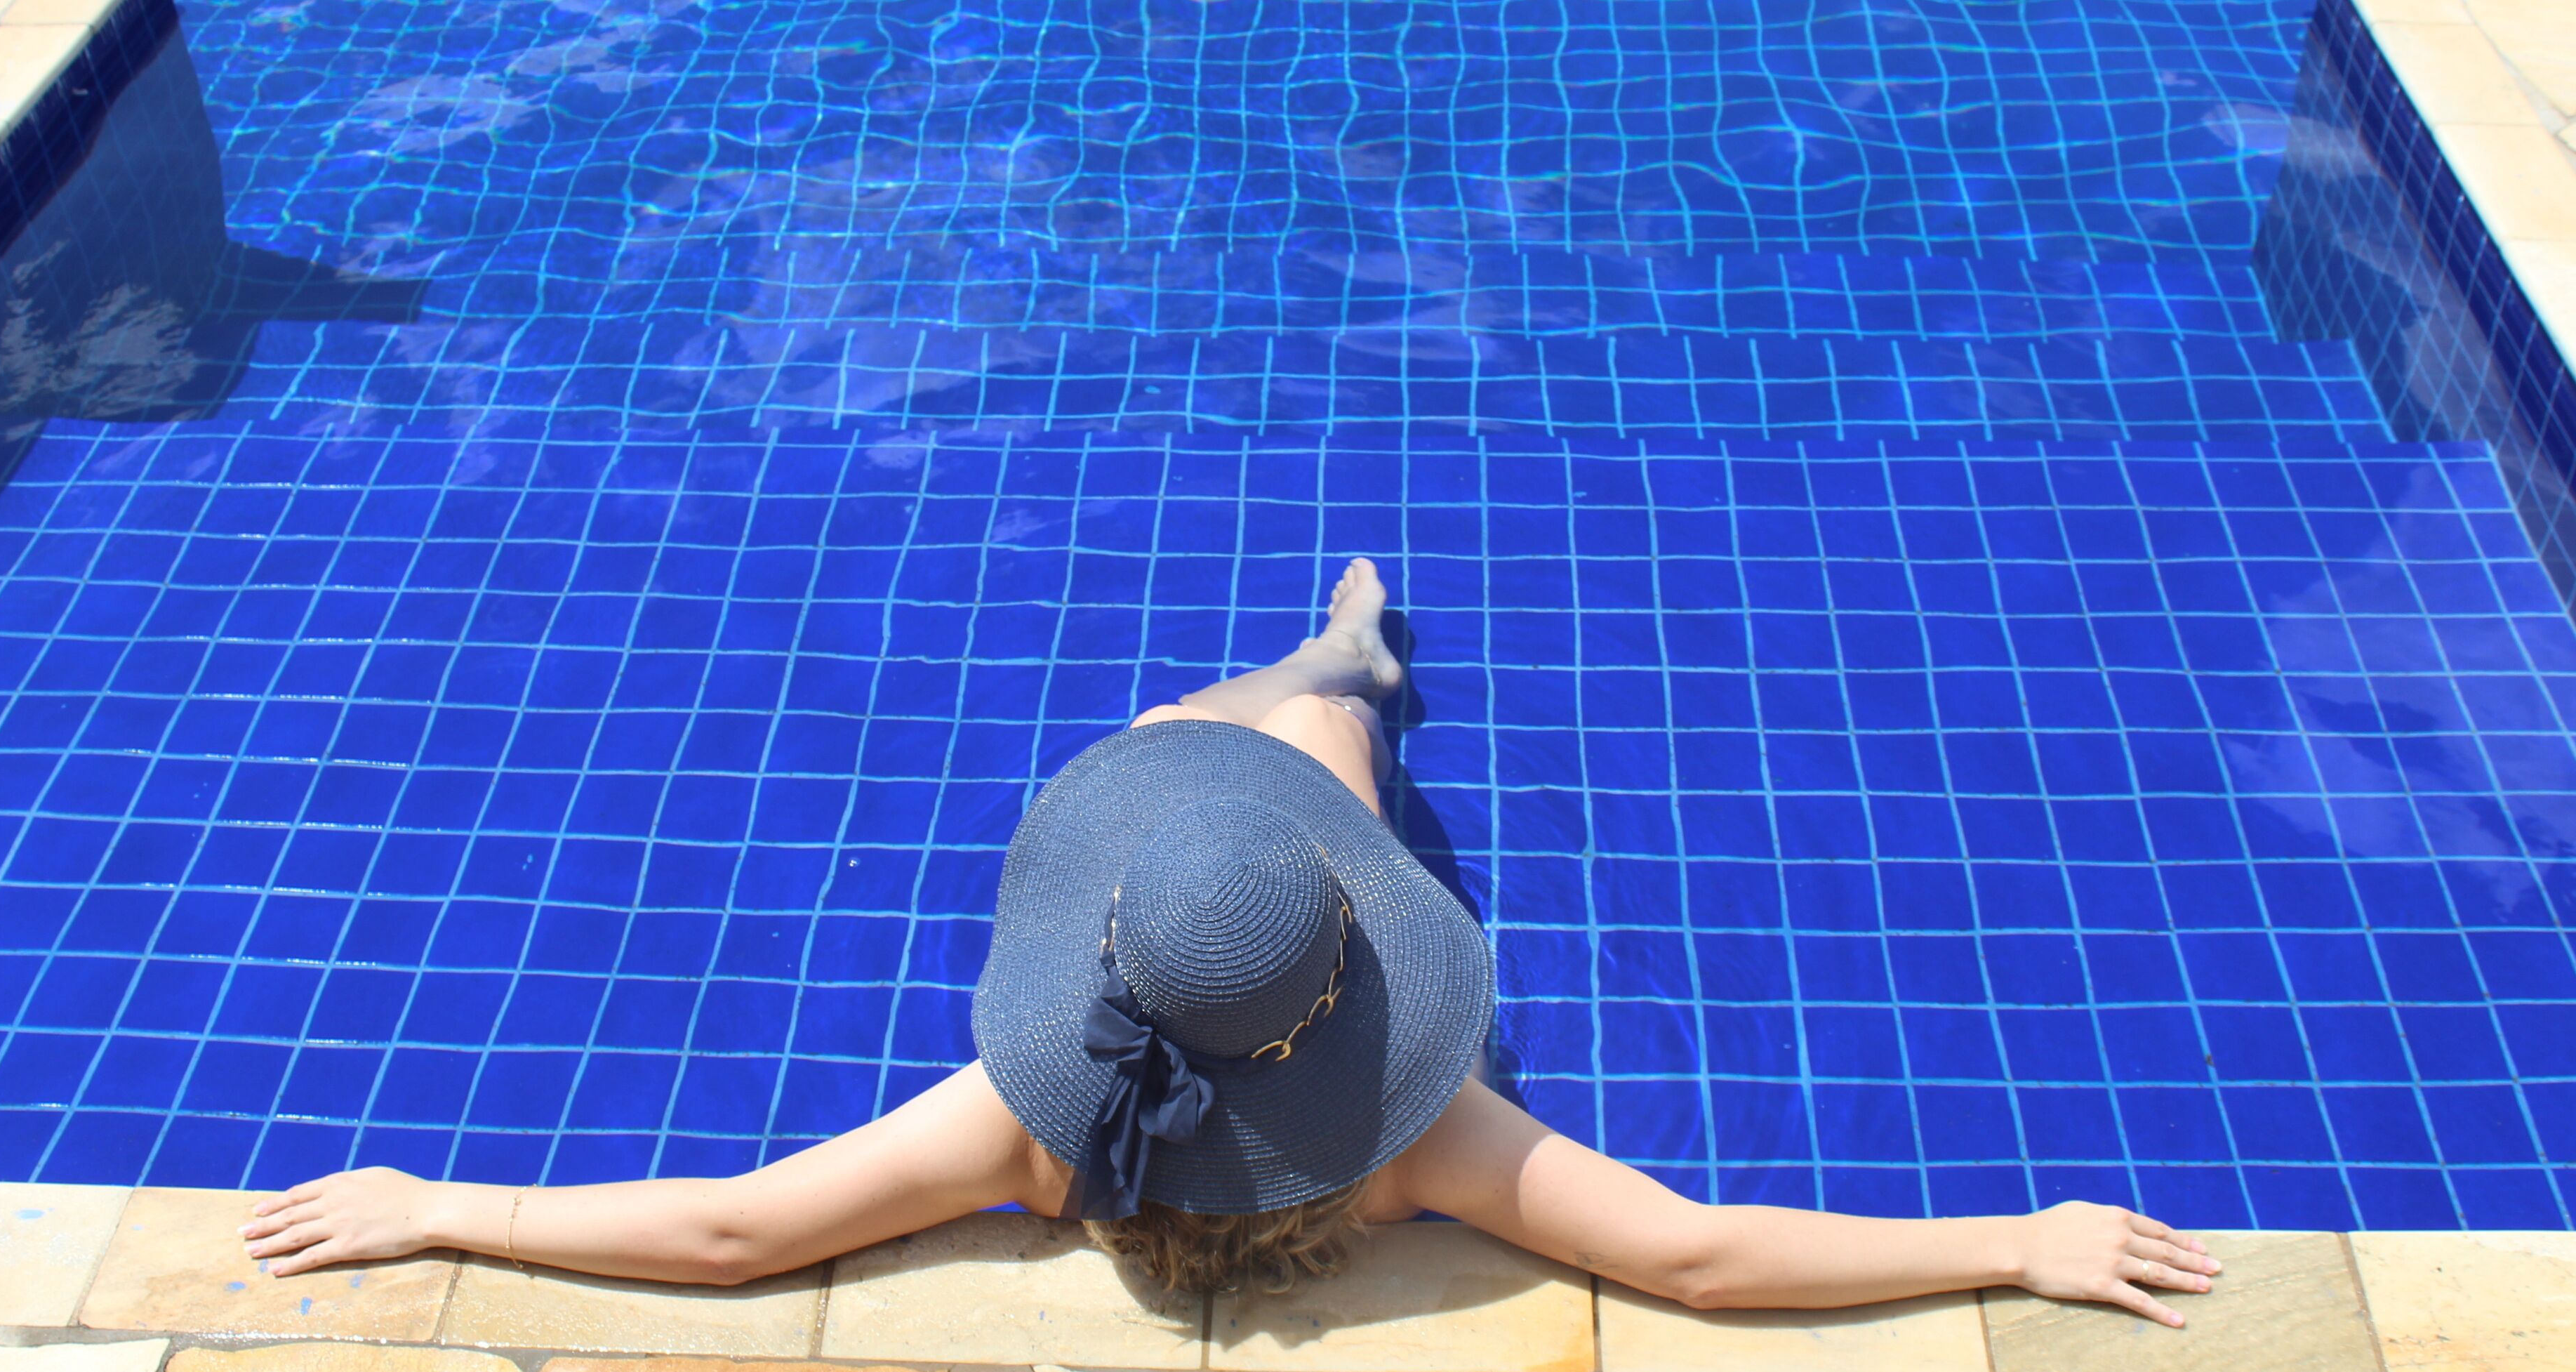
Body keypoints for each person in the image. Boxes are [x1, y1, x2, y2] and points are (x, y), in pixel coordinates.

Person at [241, 560, 2221, 1324]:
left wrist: (447, 1202)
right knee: (1318, 741)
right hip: (1301, 975)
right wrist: (2010, 1245)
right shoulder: (1421, 1138)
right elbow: (1696, 1258)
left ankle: (1314, 659)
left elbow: (740, 1230)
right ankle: (1349, 662)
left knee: (1213, 738)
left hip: (1242, 981)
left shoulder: (1029, 1126)